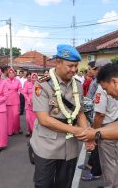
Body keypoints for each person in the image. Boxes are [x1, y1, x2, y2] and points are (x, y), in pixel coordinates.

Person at [30, 44, 88, 188]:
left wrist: (87, 134)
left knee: (65, 185)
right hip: (47, 146)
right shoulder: (42, 84)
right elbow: (44, 119)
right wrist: (76, 131)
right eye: (70, 66)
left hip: (70, 147)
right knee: (44, 185)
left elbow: (80, 112)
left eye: (76, 66)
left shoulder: (78, 85)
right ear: (58, 62)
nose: (74, 70)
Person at [88, 60, 118, 187]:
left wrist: (94, 132)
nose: (95, 71)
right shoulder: (114, 84)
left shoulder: (102, 88)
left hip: (106, 128)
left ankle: (111, 186)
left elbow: (100, 114)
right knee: (110, 161)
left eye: (96, 69)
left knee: (108, 163)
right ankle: (110, 184)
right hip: (114, 124)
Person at [4, 68, 23, 135]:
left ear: (14, 74)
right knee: (9, 117)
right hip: (7, 100)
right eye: (10, 73)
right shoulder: (5, 81)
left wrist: (27, 96)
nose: (11, 74)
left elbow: (21, 90)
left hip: (15, 100)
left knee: (16, 115)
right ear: (8, 74)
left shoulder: (17, 81)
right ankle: (10, 131)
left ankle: (17, 128)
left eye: (12, 73)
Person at [23, 73, 38, 137]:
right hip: (28, 104)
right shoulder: (27, 84)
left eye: (35, 78)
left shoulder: (38, 85)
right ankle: (29, 130)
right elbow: (24, 93)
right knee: (28, 119)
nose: (34, 79)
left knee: (34, 120)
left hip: (36, 105)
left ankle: (33, 132)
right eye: (33, 77)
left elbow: (39, 95)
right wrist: (28, 99)